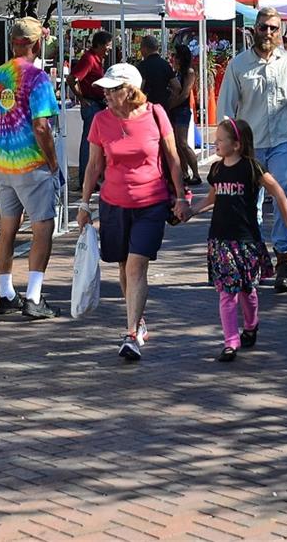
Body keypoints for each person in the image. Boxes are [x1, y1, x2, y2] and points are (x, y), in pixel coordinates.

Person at [76, 63, 189, 361]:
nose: (107, 95)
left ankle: (130, 334)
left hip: (151, 202)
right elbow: (94, 166)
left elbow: (173, 158)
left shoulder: (156, 114)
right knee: (124, 266)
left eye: (113, 90)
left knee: (136, 265)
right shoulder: (101, 120)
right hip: (113, 204)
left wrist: (181, 197)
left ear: (131, 90)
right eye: (106, 90)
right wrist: (84, 204)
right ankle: (137, 321)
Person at [217, 7, 287, 292]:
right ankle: (253, 259)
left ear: (279, 31)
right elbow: (226, 109)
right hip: (249, 146)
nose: (268, 33)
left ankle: (284, 260)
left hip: (282, 141)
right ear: (253, 29)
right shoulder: (239, 65)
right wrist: (226, 148)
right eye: (263, 27)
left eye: (273, 28)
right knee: (248, 205)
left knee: (284, 195)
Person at [192, 117, 287, 361]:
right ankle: (231, 341)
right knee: (227, 293)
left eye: (219, 140)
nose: (214, 143)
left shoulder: (252, 168)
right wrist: (191, 211)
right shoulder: (216, 170)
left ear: (236, 144)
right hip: (220, 240)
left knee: (247, 290)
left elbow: (278, 191)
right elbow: (212, 198)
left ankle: (251, 325)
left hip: (247, 240)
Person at [0, 18, 62, 320]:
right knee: (43, 227)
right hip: (31, 162)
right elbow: (41, 125)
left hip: (3, 161)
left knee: (7, 228)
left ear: (12, 42)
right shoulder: (37, 78)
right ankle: (33, 296)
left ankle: (6, 293)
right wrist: (53, 161)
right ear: (37, 43)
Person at [71, 30, 113, 191]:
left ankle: (93, 178)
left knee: (96, 143)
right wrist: (81, 99)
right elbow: (72, 79)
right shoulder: (89, 59)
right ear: (100, 45)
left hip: (97, 104)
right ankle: (85, 179)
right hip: (92, 104)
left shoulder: (96, 59)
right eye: (107, 46)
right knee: (89, 143)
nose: (109, 50)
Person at [166, 44, 200, 185]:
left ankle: (196, 174)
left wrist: (171, 105)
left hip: (182, 110)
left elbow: (185, 93)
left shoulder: (189, 72)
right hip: (175, 109)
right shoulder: (177, 71)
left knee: (183, 142)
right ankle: (184, 173)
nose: (174, 58)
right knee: (177, 144)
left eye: (176, 56)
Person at [137, 34, 173, 107]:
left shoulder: (143, 65)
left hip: (147, 107)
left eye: (141, 48)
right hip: (163, 107)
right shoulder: (166, 64)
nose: (140, 51)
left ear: (145, 49)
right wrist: (171, 104)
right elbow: (177, 86)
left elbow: (139, 87)